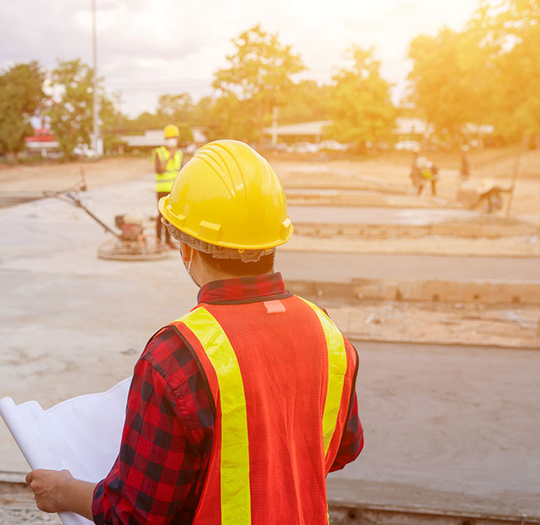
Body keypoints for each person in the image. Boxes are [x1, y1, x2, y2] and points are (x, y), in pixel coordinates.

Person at [26, 140, 364, 524]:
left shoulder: (177, 354)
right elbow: (344, 448)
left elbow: (134, 516)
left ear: (186, 248)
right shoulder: (328, 333)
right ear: (274, 240)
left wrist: (64, 490)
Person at [154, 124, 184, 249]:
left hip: (174, 190)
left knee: (169, 217)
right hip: (162, 189)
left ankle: (168, 241)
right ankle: (158, 240)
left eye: (175, 137)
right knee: (161, 215)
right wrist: (168, 158)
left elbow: (182, 171)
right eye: (171, 137)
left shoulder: (180, 153)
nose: (173, 140)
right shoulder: (159, 152)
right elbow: (159, 170)